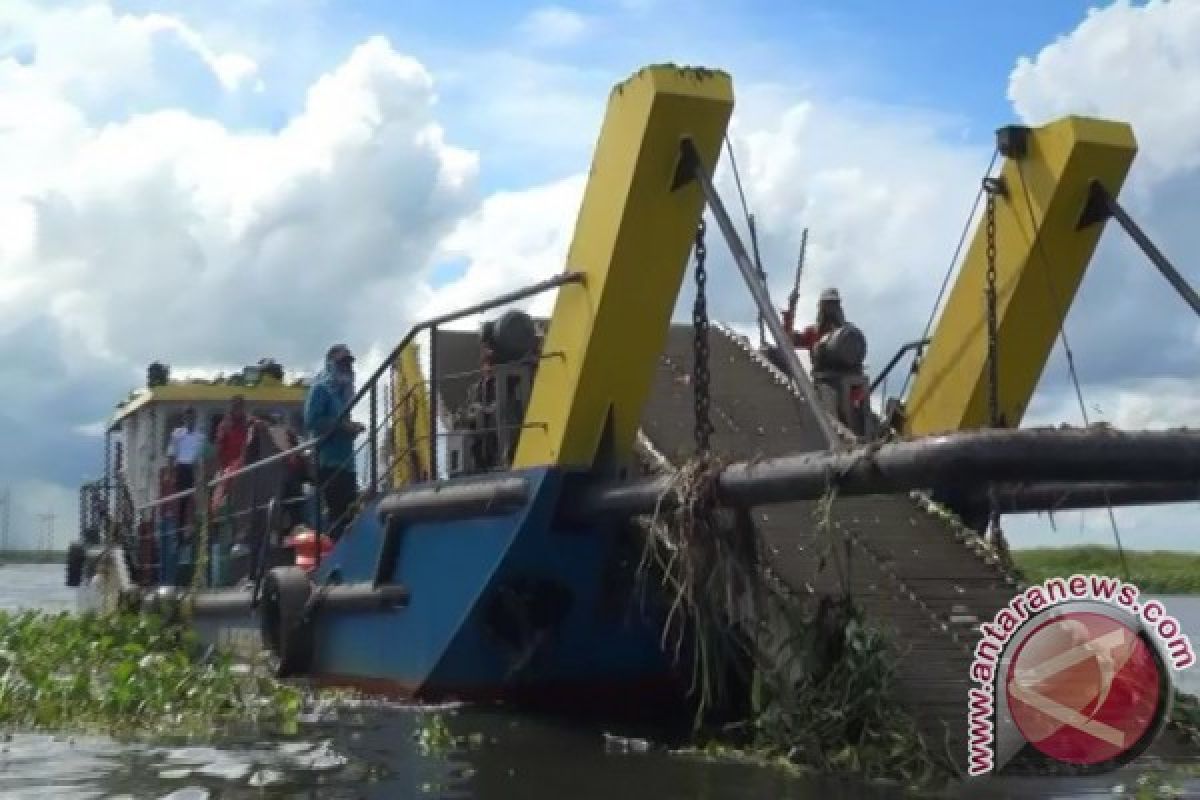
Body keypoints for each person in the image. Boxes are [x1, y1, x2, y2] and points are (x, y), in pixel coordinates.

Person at [304, 344, 365, 540]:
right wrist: (341, 427)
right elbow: (312, 421)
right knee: (337, 514)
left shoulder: (343, 393)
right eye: (342, 362)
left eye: (349, 362)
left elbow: (341, 421)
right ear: (331, 363)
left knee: (350, 512)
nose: (347, 367)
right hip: (329, 461)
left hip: (346, 461)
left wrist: (352, 427)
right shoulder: (321, 389)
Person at [166, 407, 204, 527]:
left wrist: (200, 475)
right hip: (181, 469)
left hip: (193, 468)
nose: (190, 419)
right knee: (181, 501)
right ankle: (180, 532)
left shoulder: (200, 437)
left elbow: (200, 457)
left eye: (192, 417)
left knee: (195, 500)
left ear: (195, 418)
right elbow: (171, 454)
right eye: (187, 417)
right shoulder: (177, 434)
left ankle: (195, 528)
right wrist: (170, 474)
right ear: (184, 418)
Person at [215, 395, 251, 473]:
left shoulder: (248, 421)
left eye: (240, 405)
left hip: (245, 464)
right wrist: (221, 467)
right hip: (228, 465)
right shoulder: (224, 424)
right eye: (235, 406)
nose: (237, 408)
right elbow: (219, 446)